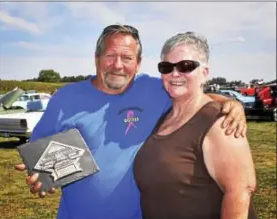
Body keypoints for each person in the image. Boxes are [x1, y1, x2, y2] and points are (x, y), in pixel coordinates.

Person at [15, 25, 247, 219]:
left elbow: (191, 93)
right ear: (97, 58)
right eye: (110, 56)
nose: (118, 65)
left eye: (127, 58)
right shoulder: (65, 98)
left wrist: (230, 103)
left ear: (138, 62)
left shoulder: (155, 90)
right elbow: (41, 157)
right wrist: (40, 176)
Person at [133, 32, 257, 219]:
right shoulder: (165, 114)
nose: (175, 73)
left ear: (204, 73)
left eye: (186, 66)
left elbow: (240, 192)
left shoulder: (221, 121)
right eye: (166, 67)